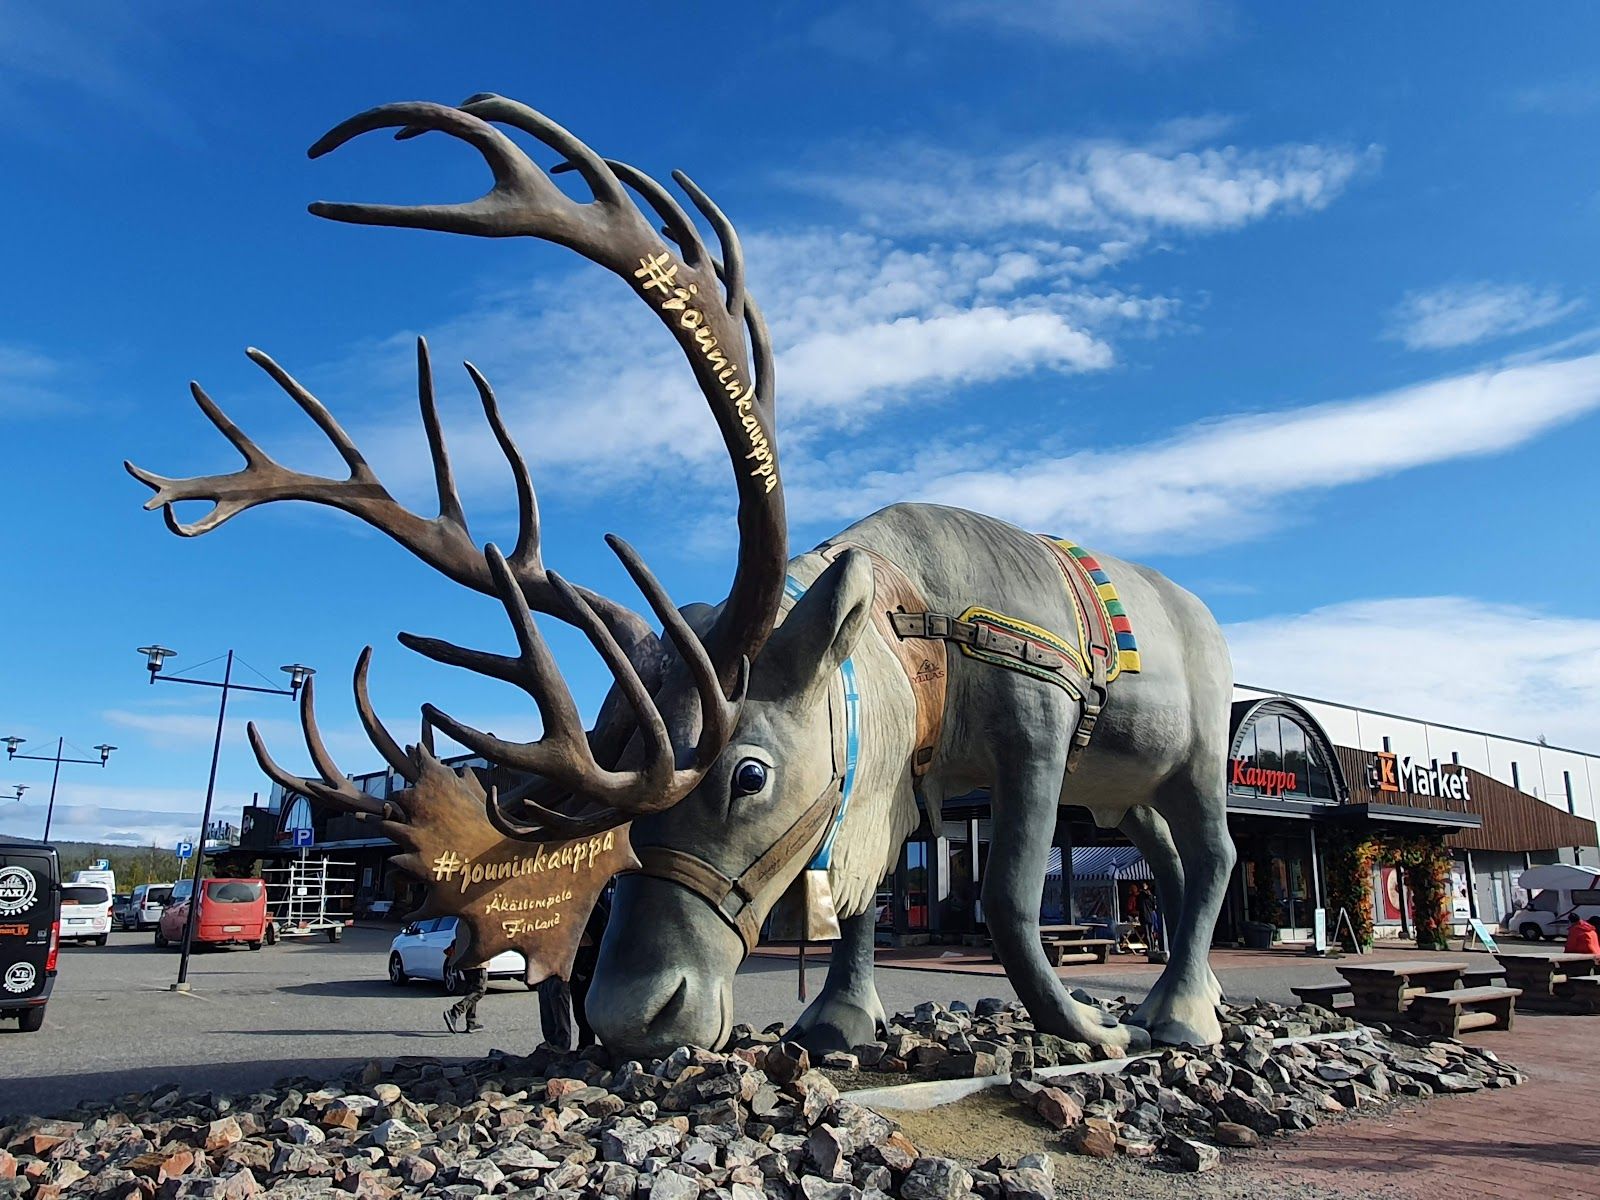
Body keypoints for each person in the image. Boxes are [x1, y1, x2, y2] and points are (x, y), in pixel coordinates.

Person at [443, 923, 488, 1034]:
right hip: (476, 958)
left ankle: (471, 1022)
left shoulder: (461, 920)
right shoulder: (478, 918)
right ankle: (455, 1012)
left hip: (462, 958)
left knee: (472, 991)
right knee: (479, 990)